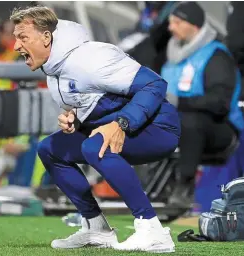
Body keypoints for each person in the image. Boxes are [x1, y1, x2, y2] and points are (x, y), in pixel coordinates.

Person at [10, 6, 180, 252]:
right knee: (50, 148)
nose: (16, 46)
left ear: (46, 37)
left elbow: (155, 85)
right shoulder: (53, 68)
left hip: (160, 127)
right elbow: (98, 102)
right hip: (126, 124)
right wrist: (75, 120)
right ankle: (96, 227)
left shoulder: (90, 58)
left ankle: (151, 228)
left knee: (94, 145)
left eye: (23, 37)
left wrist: (121, 124)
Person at [161, 2, 244, 207]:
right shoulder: (172, 58)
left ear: (194, 25)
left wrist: (180, 102)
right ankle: (143, 186)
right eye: (171, 22)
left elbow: (219, 103)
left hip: (220, 130)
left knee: (191, 120)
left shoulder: (215, 55)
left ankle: (185, 187)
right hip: (180, 125)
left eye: (178, 22)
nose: (171, 28)